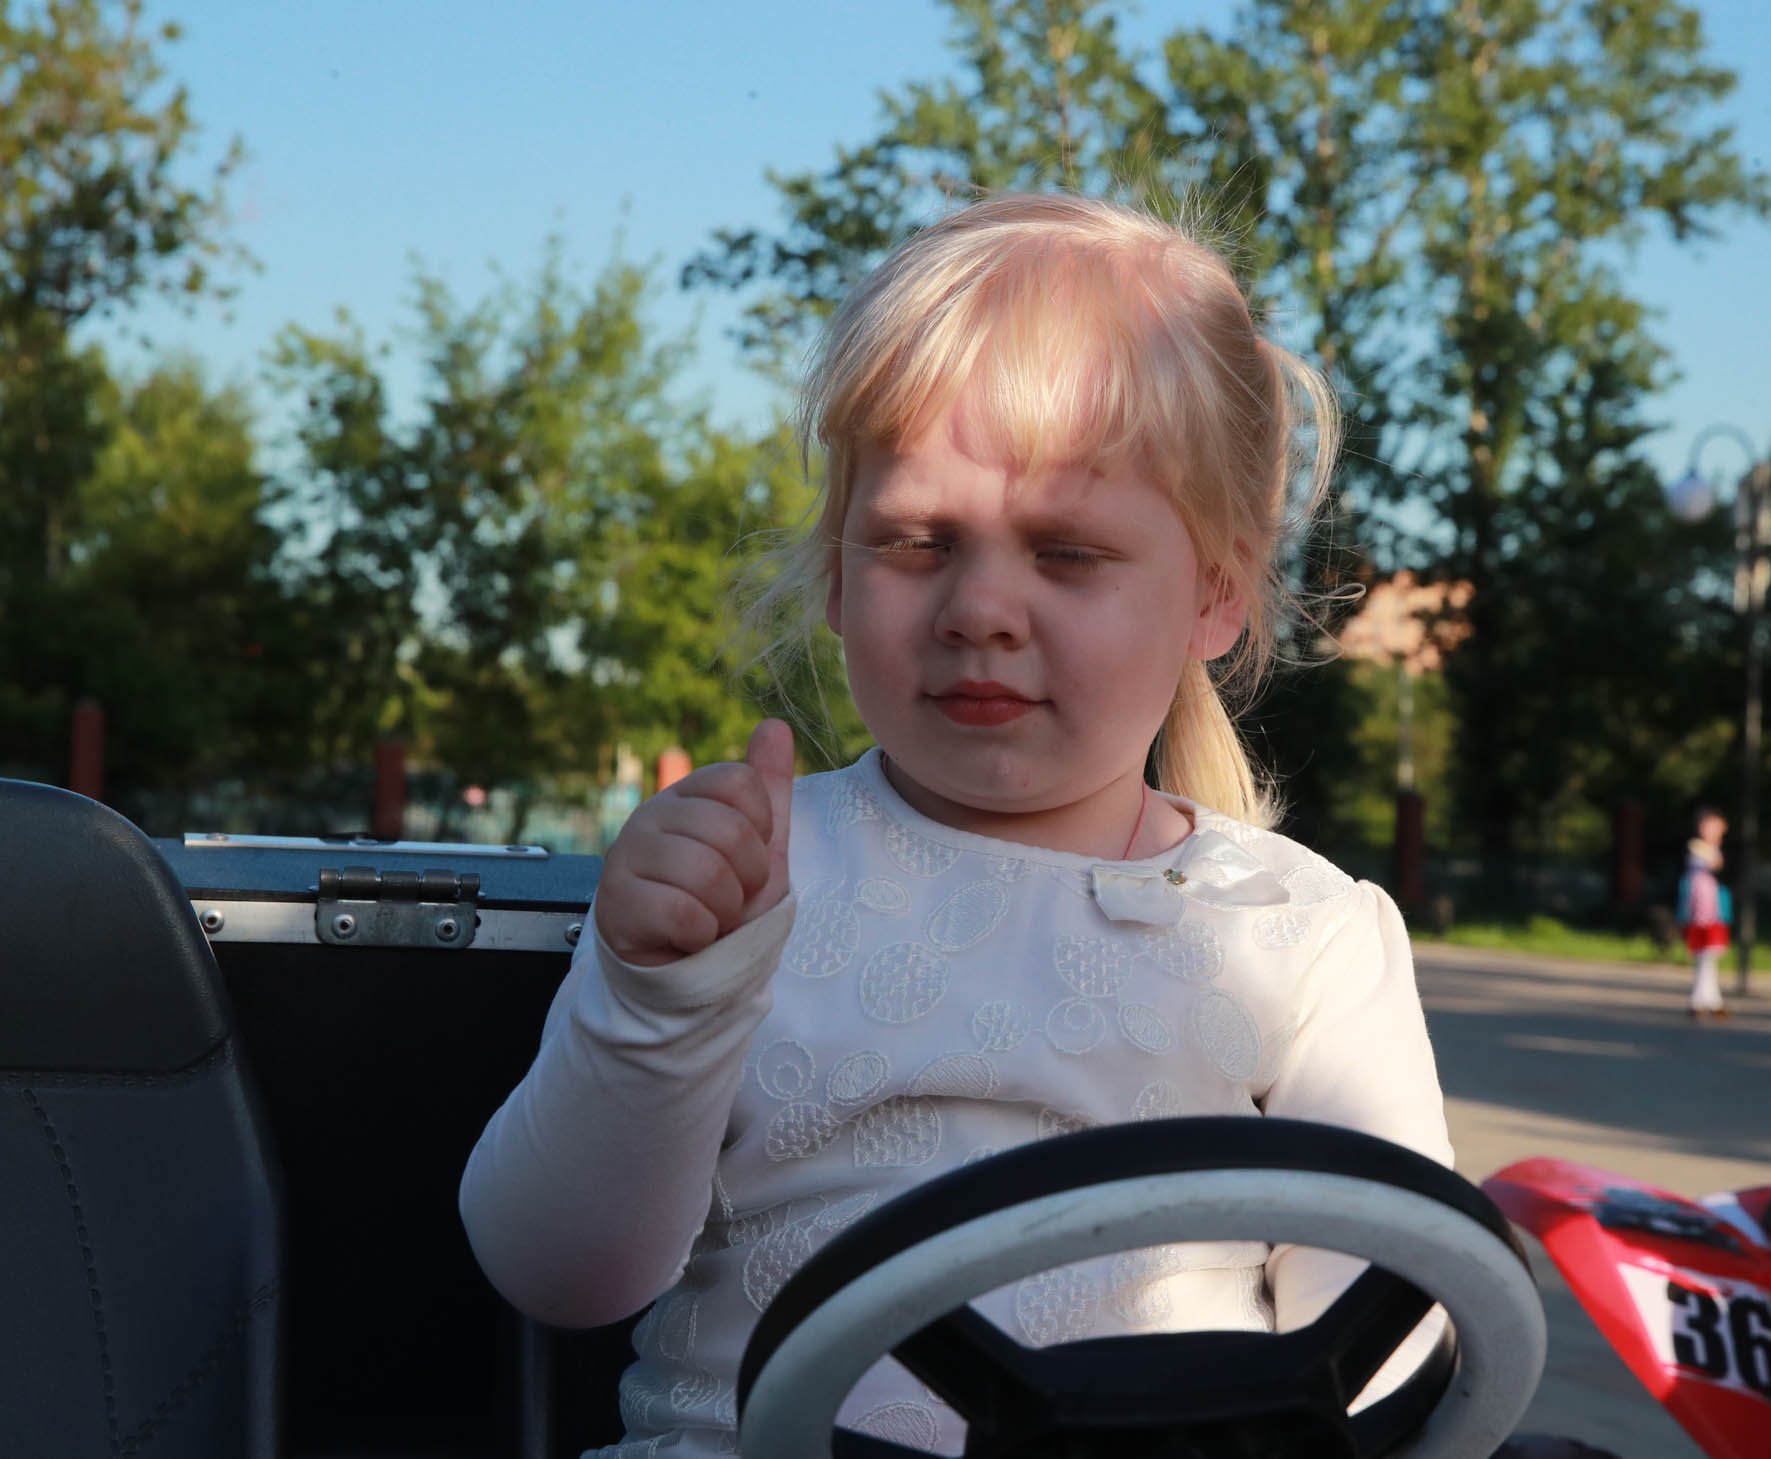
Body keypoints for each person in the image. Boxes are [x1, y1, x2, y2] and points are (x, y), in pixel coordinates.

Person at [459, 191, 1454, 1457]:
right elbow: (559, 1273)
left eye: (1066, 552)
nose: (979, 607)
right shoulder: (750, 885)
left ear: (1213, 593)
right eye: (919, 541)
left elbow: (1390, 1359)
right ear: (836, 573)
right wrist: (656, 1004)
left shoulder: (1299, 939)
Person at [1677, 807, 1733, 1018]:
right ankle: (1706, 1000)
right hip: (1701, 911)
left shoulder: (1712, 850)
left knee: (1708, 956)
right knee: (1704, 956)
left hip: (1712, 911)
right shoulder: (1700, 849)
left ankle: (1706, 999)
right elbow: (1714, 865)